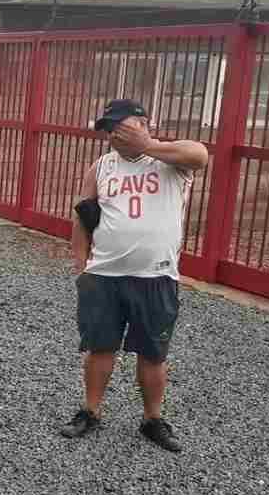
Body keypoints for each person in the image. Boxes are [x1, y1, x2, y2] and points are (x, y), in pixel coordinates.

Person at [61, 99, 209, 452]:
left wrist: (149, 147)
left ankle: (152, 419)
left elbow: (200, 154)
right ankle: (90, 411)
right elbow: (84, 215)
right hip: (104, 276)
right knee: (100, 348)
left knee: (153, 353)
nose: (114, 134)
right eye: (110, 129)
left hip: (156, 277)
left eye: (121, 126)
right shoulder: (102, 166)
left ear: (145, 123)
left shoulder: (170, 160)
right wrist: (81, 266)